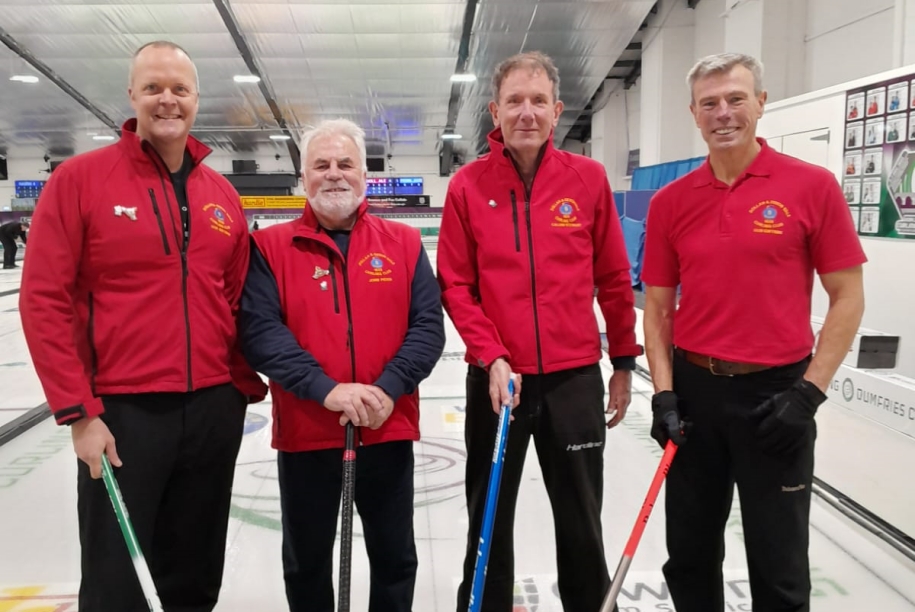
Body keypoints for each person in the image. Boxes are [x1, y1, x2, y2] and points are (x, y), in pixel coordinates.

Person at [18, 41, 267, 612]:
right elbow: (44, 299)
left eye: (180, 88)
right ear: (132, 95)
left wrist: (237, 391)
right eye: (154, 87)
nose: (167, 100)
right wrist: (80, 413)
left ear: (196, 98)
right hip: (123, 414)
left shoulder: (221, 195)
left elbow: (234, 299)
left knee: (195, 575)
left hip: (211, 409)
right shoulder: (80, 180)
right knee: (117, 580)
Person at [642, 52, 866, 612]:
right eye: (709, 103)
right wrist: (664, 394)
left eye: (736, 99)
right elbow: (659, 310)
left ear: (761, 104)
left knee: (779, 563)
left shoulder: (812, 186)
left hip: (777, 396)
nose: (723, 113)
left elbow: (847, 296)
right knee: (689, 556)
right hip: (695, 394)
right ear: (694, 113)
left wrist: (808, 394)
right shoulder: (671, 202)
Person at [437, 51, 641, 612]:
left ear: (556, 110)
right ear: (494, 111)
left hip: (574, 380)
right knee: (489, 517)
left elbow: (613, 278)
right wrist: (492, 355)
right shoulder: (468, 186)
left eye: (537, 101)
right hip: (498, 382)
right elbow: (456, 285)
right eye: (514, 101)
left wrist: (624, 362)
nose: (525, 113)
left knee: (581, 520)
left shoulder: (587, 179)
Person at [238, 118, 445, 612]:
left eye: (345, 164)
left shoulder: (403, 243)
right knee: (307, 562)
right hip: (308, 433)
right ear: (303, 177)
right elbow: (261, 333)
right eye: (321, 165)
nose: (334, 173)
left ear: (364, 175)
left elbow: (427, 327)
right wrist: (325, 389)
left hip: (385, 426)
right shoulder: (269, 248)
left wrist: (388, 387)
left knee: (395, 559)